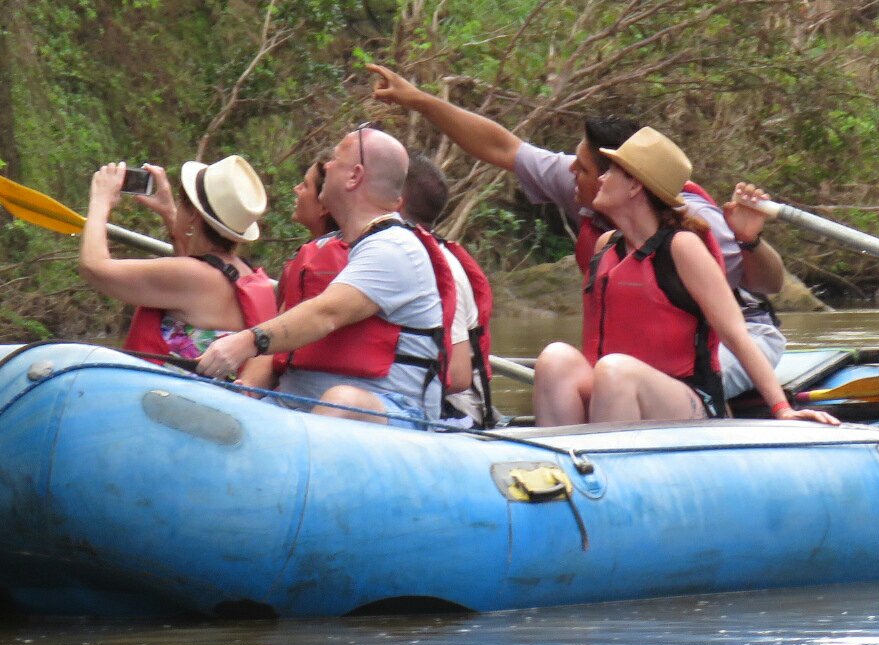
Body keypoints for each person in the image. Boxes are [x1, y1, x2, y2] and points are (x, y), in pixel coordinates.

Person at [367, 64, 792, 407]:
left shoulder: (690, 228)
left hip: (727, 346)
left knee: (616, 372)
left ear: (629, 182)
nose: (572, 171)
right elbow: (501, 147)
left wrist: (749, 241)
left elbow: (765, 288)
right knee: (561, 361)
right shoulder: (591, 200)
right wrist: (418, 100)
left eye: (584, 167)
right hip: (628, 364)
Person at [528, 127, 839, 427]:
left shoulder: (682, 246)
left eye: (612, 172)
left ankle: (613, 469)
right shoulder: (605, 245)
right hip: (618, 386)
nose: (602, 178)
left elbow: (735, 334)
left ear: (635, 186)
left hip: (688, 399)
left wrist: (782, 409)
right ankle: (561, 465)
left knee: (614, 371)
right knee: (556, 359)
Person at [195, 126, 458, 429]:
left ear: (354, 176)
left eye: (335, 159)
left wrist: (246, 341)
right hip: (295, 405)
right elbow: (289, 328)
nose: (327, 166)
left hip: (390, 413)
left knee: (342, 401)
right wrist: (246, 390)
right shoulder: (333, 248)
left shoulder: (395, 248)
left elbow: (326, 314)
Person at [80, 155, 274, 362]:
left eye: (182, 203)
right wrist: (168, 211)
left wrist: (100, 200)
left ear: (193, 216)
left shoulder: (192, 276)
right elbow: (193, 270)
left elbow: (93, 267)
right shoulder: (242, 273)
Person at [401, 155, 496, 427]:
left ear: (397, 200)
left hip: (456, 410)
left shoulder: (436, 267)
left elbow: (457, 374)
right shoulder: (398, 254)